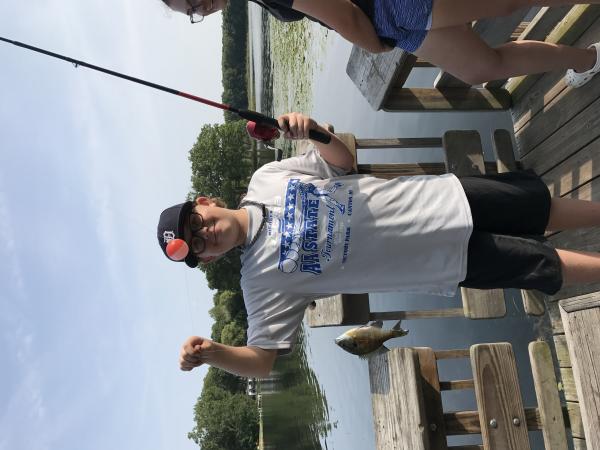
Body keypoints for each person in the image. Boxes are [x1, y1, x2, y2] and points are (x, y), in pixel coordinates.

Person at [158, 112, 600, 378]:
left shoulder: (266, 178)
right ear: (210, 257)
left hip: (438, 197)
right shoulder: (259, 283)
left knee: (539, 207)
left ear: (206, 202)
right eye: (198, 245)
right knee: (543, 263)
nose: (206, 234)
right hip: (440, 261)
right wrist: (214, 353)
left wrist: (313, 131)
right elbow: (261, 360)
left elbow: (343, 162)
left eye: (198, 223)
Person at [161, 0, 600, 88]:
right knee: (480, 67)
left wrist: (371, 46)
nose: (203, 6)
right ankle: (587, 58)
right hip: (388, 21)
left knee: (506, 2)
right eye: (194, 11)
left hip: (385, 8)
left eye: (194, 0)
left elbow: (342, 14)